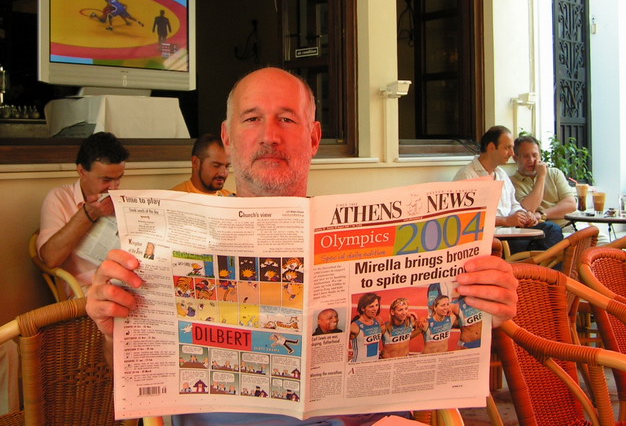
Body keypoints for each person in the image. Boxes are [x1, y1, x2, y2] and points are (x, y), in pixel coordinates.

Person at [86, 67, 518, 425]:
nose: (269, 135)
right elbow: (132, 377)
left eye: (287, 119)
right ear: (229, 137)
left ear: (313, 138)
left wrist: (485, 305)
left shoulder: (369, 241)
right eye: (252, 118)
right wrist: (114, 330)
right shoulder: (168, 243)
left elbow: (440, 348)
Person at [37, 132, 128, 292]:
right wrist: (88, 214)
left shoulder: (121, 199)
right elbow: (50, 258)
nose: (113, 188)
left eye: (119, 178)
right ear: (82, 171)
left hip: (122, 283)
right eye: (106, 180)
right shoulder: (60, 198)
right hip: (85, 290)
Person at [454, 125, 563, 254]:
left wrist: (524, 215)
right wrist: (505, 221)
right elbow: (466, 219)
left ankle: (538, 271)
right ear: (491, 147)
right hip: (492, 239)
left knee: (552, 229)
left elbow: (513, 204)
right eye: (507, 148)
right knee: (530, 244)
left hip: (512, 231)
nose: (512, 153)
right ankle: (533, 269)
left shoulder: (501, 174)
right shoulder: (467, 175)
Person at [511, 135, 576, 228]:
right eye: (525, 156)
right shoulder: (512, 182)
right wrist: (541, 176)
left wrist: (541, 214)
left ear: (540, 155)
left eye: (534, 155)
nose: (531, 160)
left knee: (603, 241)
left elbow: (571, 205)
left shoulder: (554, 173)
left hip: (574, 224)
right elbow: (529, 208)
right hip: (549, 232)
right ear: (515, 158)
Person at [349, 292, 383, 362]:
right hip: (358, 366)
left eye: (377, 305)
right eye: (371, 306)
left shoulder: (379, 321)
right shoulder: (354, 326)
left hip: (374, 365)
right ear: (363, 308)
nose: (375, 309)